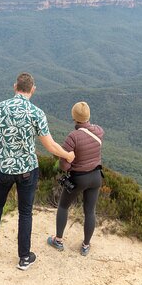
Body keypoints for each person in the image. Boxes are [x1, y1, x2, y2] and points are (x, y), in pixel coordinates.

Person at [0, 72, 75, 270]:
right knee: (25, 212)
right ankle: (24, 257)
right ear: (33, 89)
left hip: (4, 166)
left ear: (15, 86)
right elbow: (50, 146)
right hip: (27, 169)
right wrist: (67, 155)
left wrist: (2, 158)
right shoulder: (36, 113)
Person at [47, 101, 104, 256]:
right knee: (90, 211)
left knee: (63, 206)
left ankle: (58, 240)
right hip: (96, 176)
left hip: (79, 178)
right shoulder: (99, 131)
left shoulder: (73, 137)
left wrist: (69, 165)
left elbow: (64, 164)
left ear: (74, 117)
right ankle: (86, 245)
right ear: (88, 116)